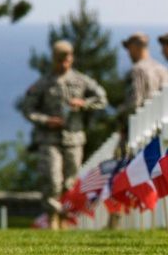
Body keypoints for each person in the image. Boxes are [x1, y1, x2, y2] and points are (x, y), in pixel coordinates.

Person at [21, 40, 108, 230]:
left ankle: (65, 219)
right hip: (49, 140)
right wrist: (45, 121)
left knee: (70, 182)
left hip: (73, 139)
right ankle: (52, 216)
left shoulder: (81, 80)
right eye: (60, 59)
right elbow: (28, 108)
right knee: (52, 179)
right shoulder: (44, 83)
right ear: (54, 59)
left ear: (72, 59)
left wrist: (83, 103)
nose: (63, 63)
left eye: (67, 59)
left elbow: (101, 98)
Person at [119, 32, 168, 120]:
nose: (128, 53)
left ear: (135, 47)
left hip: (145, 121)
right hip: (164, 118)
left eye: (129, 48)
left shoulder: (137, 70)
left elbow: (135, 101)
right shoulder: (163, 69)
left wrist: (122, 115)